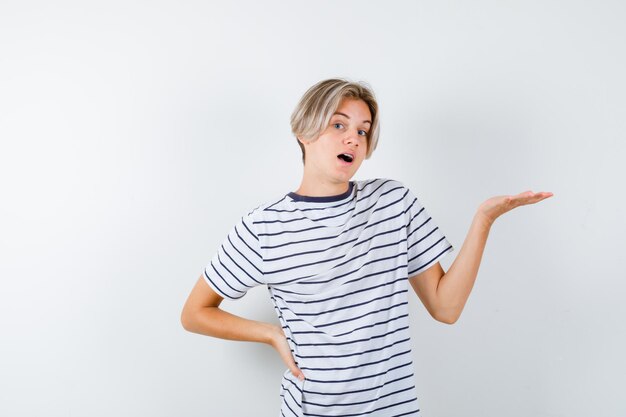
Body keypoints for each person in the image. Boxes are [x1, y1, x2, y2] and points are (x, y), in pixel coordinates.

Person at [180, 78, 553, 416]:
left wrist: (484, 220)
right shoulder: (263, 228)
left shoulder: (393, 203)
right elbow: (195, 312)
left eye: (363, 130)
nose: (353, 139)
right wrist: (270, 333)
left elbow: (446, 307)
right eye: (339, 125)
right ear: (304, 132)